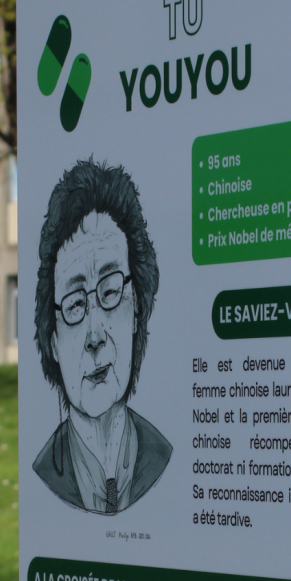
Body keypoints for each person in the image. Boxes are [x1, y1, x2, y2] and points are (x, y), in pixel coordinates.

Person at [32, 159, 172, 515]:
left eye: (110, 292)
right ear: (53, 342)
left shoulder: (163, 457)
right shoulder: (43, 475)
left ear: (137, 306)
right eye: (76, 304)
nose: (95, 335)